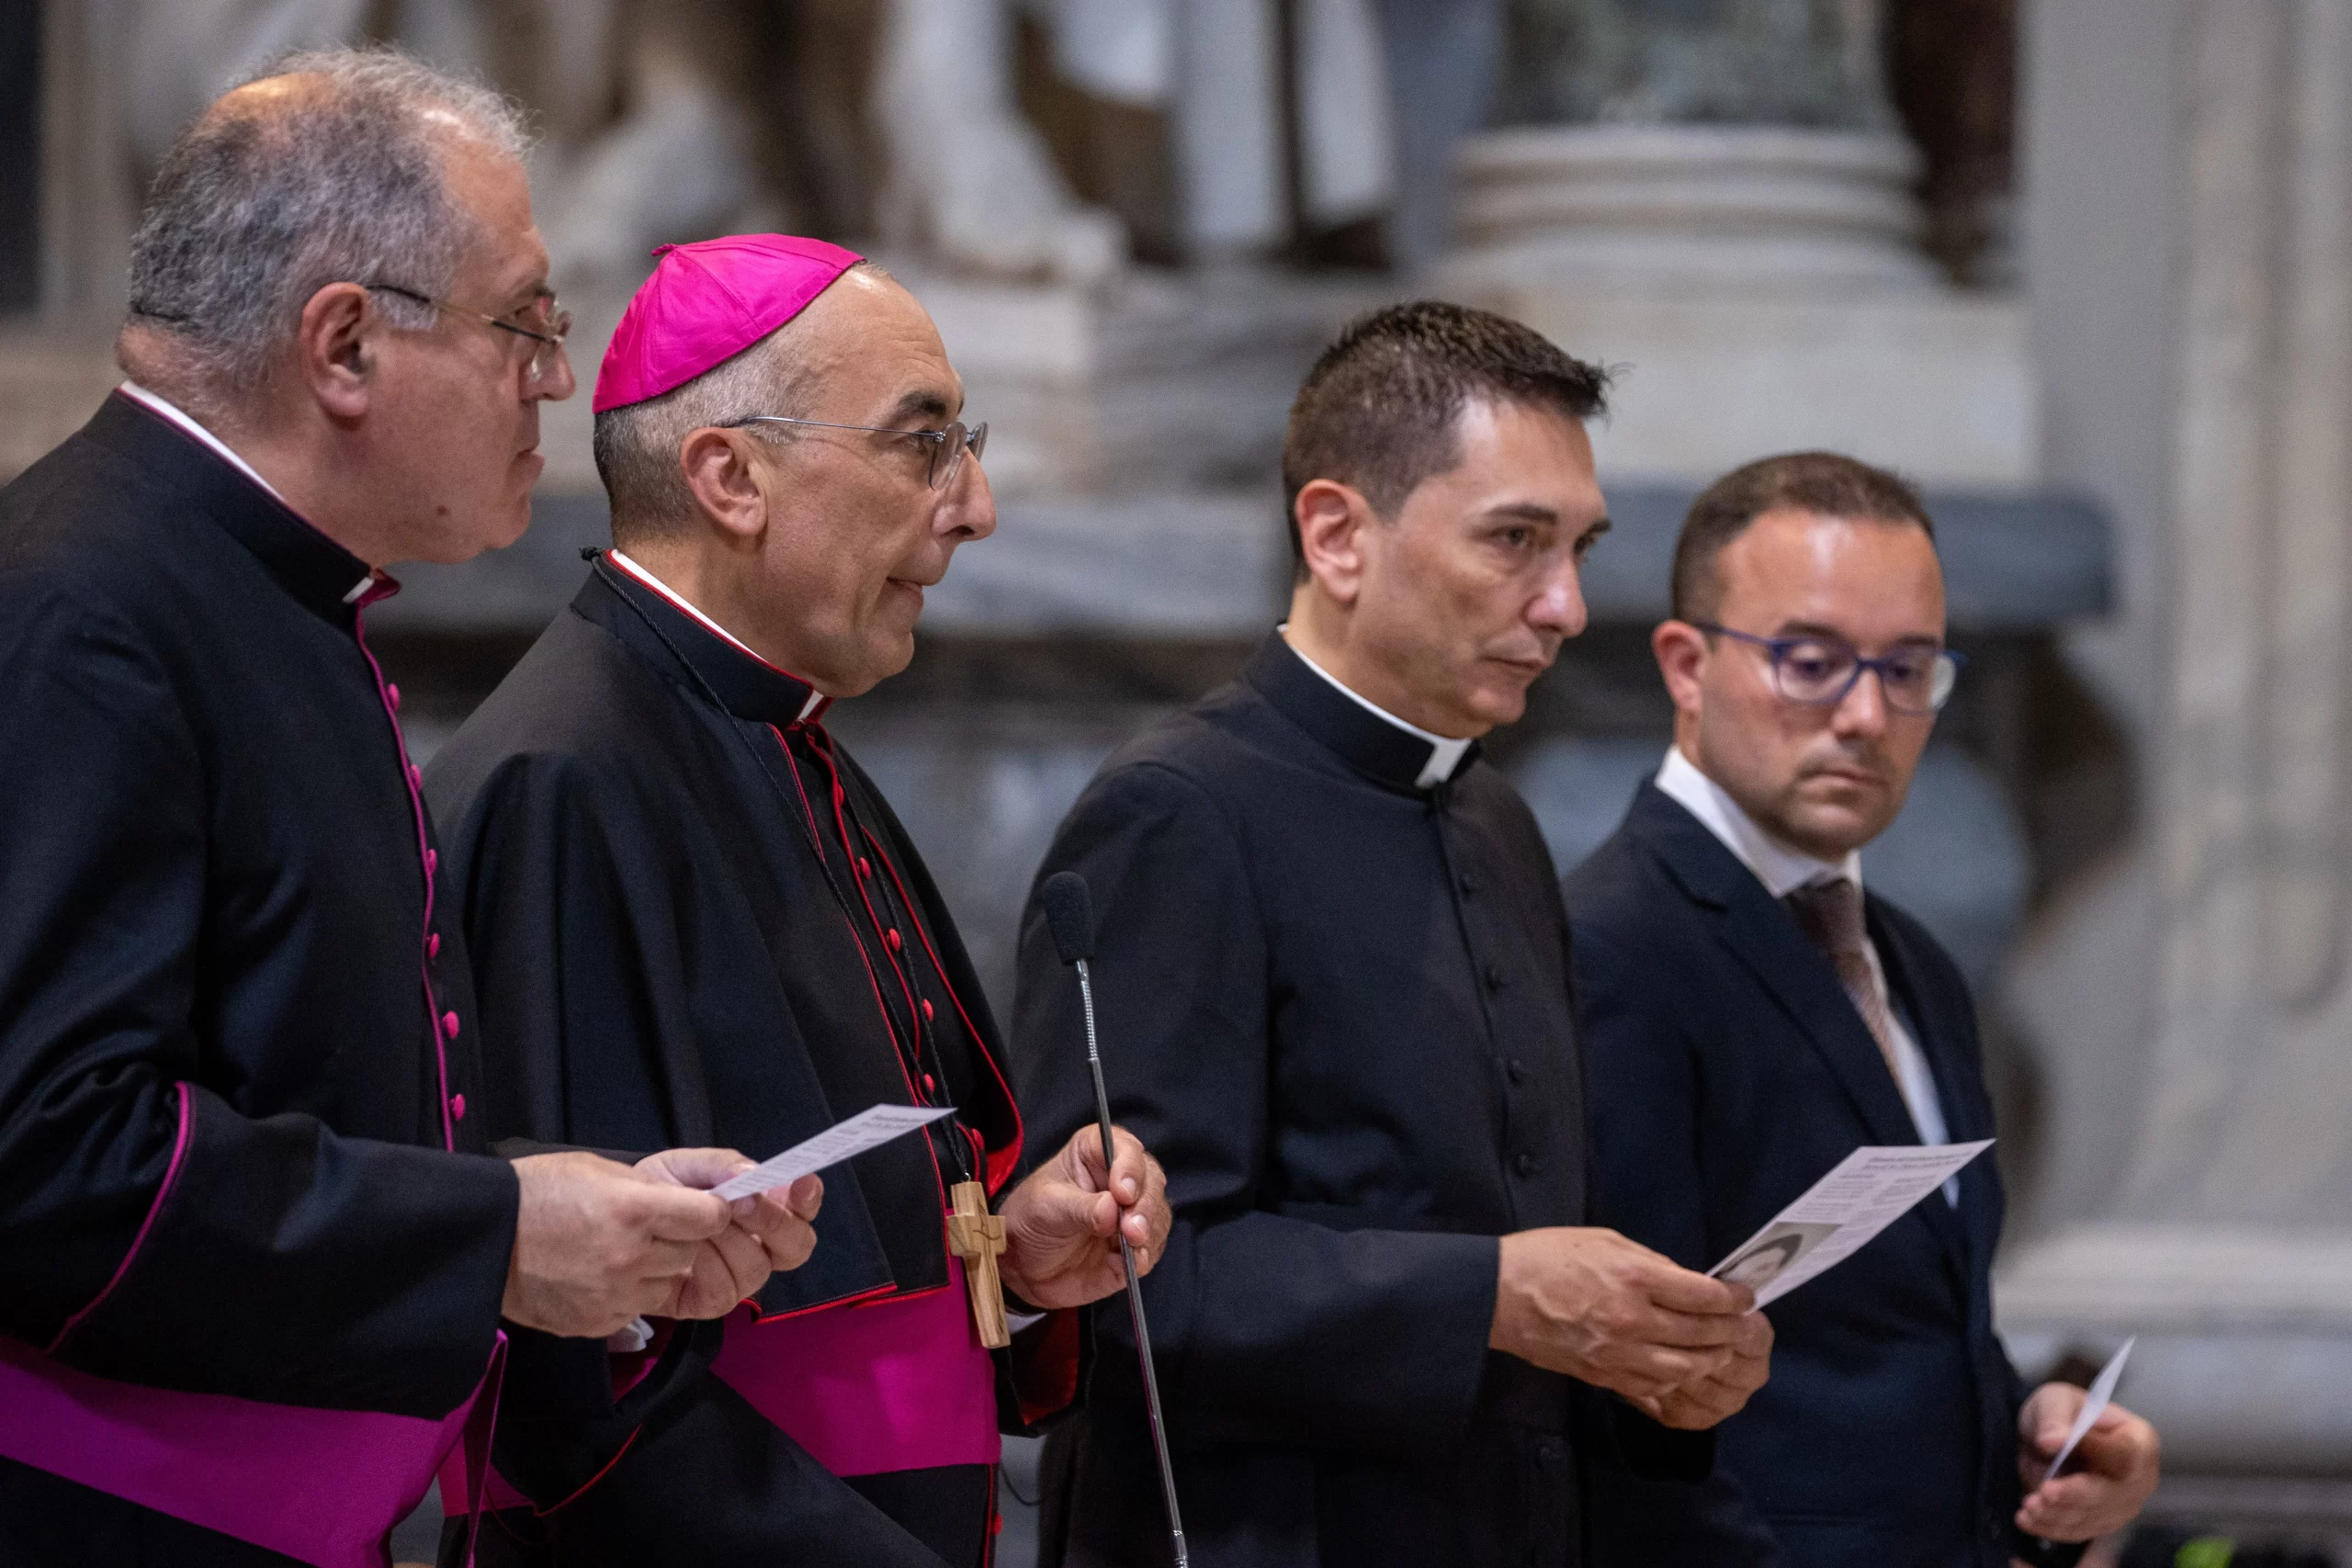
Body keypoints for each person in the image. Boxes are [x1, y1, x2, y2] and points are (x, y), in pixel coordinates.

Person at [0, 51, 818, 1568]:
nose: (556, 382)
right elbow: (45, 1153)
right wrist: (495, 1236)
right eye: (525, 324)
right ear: (346, 344)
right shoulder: (85, 610)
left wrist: (559, 1212)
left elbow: (286, 1071)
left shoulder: (258, 592)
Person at [423, 233, 1174, 1567]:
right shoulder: (566, 780)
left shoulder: (795, 745)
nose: (978, 504)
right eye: (923, 442)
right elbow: (568, 1386)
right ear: (730, 475)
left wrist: (1013, 1251)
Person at [1009, 301, 1775, 1568]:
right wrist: (1498, 1296)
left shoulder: (1495, 819)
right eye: (1515, 540)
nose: (1569, 604)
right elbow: (1122, 1288)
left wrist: (1654, 1349)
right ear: (1337, 533)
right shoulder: (1178, 813)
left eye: (1580, 545)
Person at [1564, 452, 2163, 1568]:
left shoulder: (1915, 960)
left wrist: (2028, 1429)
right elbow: (1615, 1404)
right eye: (1810, 661)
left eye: (1909, 668)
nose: (1865, 714)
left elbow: (1886, 1333)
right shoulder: (1610, 946)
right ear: (1685, 665)